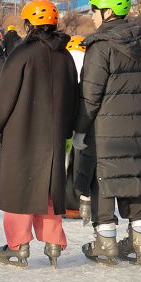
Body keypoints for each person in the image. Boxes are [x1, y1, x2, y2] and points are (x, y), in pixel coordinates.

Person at [0, 0, 78, 268]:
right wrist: (68, 131)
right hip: (54, 134)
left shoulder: (22, 53)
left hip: (21, 132)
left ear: (28, 24)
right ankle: (53, 243)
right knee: (47, 188)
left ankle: (18, 245)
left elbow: (6, 93)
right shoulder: (65, 55)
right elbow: (73, 95)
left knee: (18, 188)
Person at [75, 0, 141, 266]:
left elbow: (90, 94)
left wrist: (79, 128)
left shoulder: (101, 46)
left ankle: (105, 242)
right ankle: (139, 241)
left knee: (104, 178)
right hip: (135, 123)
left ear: (108, 12)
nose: (92, 16)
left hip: (104, 127)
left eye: (94, 11)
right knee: (132, 175)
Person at [63, 35, 90, 220]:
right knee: (81, 162)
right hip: (84, 119)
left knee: (63, 162)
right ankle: (81, 201)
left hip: (64, 120)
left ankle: (62, 202)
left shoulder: (63, 61)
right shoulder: (89, 63)